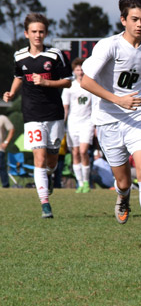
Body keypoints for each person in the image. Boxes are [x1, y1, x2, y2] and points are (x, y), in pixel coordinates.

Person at [81, 0, 141, 251]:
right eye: (134, 19)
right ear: (123, 20)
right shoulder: (108, 46)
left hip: (139, 117)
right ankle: (123, 196)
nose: (139, 24)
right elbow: (85, 81)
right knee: (123, 180)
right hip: (108, 120)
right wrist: (117, 100)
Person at [3, 13, 72, 218]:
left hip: (54, 113)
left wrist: (47, 83)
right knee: (39, 159)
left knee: (52, 160)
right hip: (32, 113)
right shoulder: (19, 56)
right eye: (34, 31)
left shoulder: (55, 55)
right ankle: (45, 204)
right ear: (27, 33)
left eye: (41, 31)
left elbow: (68, 81)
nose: (38, 35)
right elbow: (18, 77)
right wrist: (12, 92)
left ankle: (49, 176)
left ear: (46, 33)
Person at [62, 58, 94, 193]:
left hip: (87, 122)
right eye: (77, 69)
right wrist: (61, 124)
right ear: (74, 71)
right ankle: (79, 183)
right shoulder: (70, 86)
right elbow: (65, 108)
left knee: (83, 151)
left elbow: (95, 106)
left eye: (82, 69)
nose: (80, 72)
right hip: (73, 123)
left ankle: (86, 182)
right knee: (75, 153)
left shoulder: (91, 85)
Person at [0, 114, 15, 188]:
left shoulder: (2, 118)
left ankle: (5, 185)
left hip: (0, 149)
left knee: (1, 167)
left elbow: (11, 129)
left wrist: (6, 142)